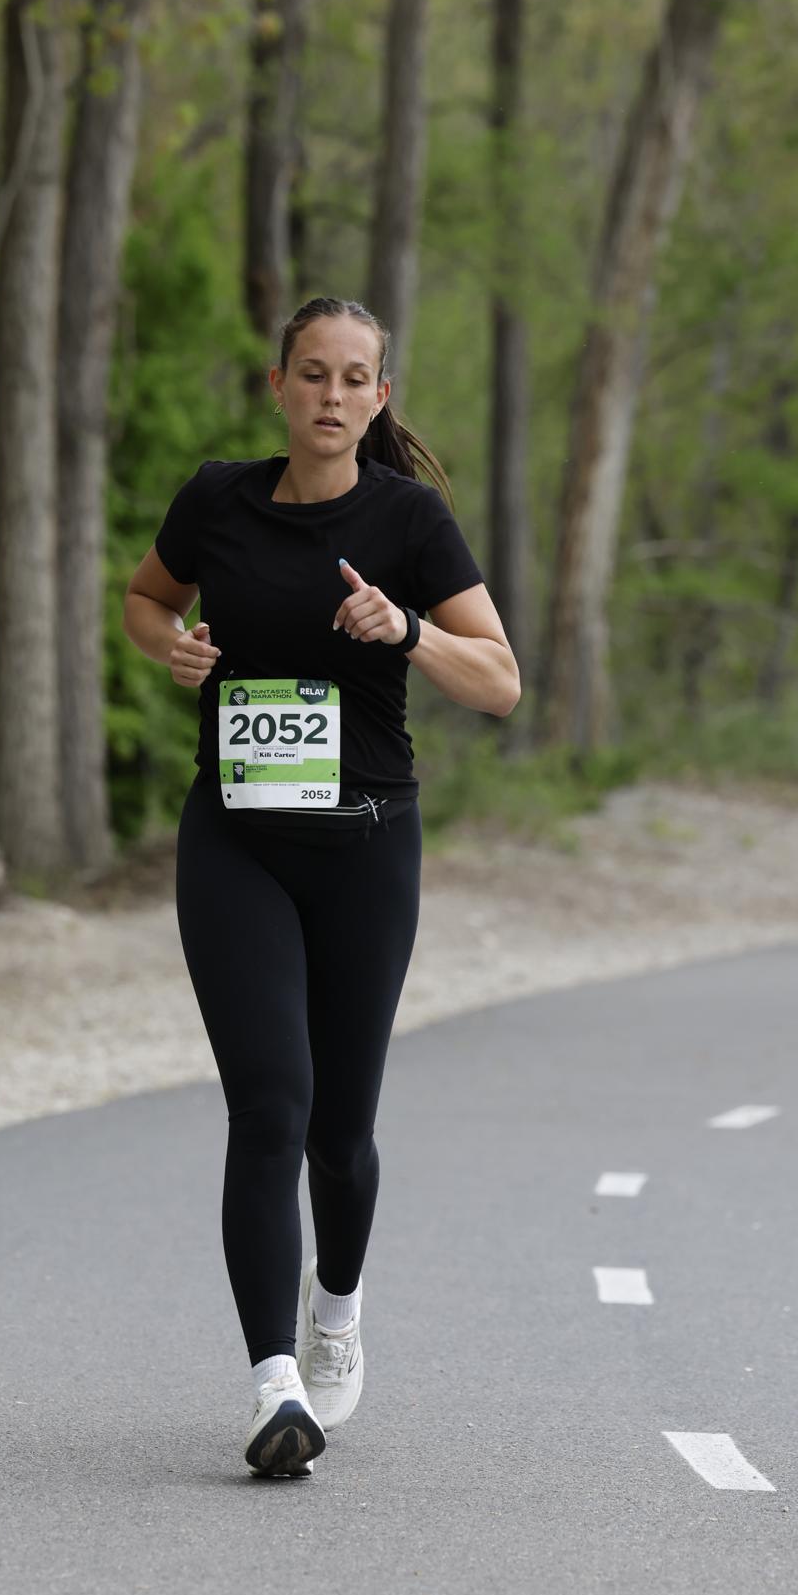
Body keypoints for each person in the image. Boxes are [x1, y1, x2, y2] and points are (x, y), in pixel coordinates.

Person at [123, 296, 520, 1476]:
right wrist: (170, 645)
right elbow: (146, 598)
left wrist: (404, 629)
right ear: (279, 386)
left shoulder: (407, 519)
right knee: (270, 1107)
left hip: (365, 846)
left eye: (354, 377)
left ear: (379, 395)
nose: (331, 395)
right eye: (312, 373)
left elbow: (499, 680)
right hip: (236, 838)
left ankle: (334, 1312)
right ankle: (272, 1387)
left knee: (339, 1134)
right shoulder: (217, 500)